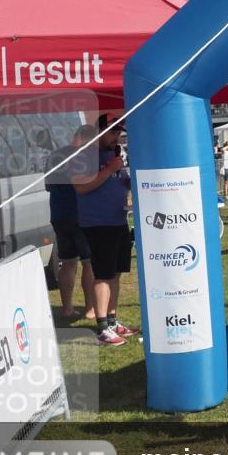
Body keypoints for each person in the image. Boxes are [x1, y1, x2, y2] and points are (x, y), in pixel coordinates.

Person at [70, 114, 138, 346]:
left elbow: (120, 180)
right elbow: (80, 187)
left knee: (116, 273)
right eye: (112, 132)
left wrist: (128, 181)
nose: (116, 137)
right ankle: (102, 328)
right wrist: (109, 170)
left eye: (119, 132)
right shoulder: (84, 156)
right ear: (98, 131)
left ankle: (112, 320)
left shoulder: (114, 155)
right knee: (104, 275)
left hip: (118, 219)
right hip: (98, 224)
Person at [45, 124, 96, 322]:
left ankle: (67, 308)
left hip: (59, 214)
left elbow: (48, 186)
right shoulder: (85, 157)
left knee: (67, 262)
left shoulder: (54, 156)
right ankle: (91, 308)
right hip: (81, 214)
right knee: (89, 262)